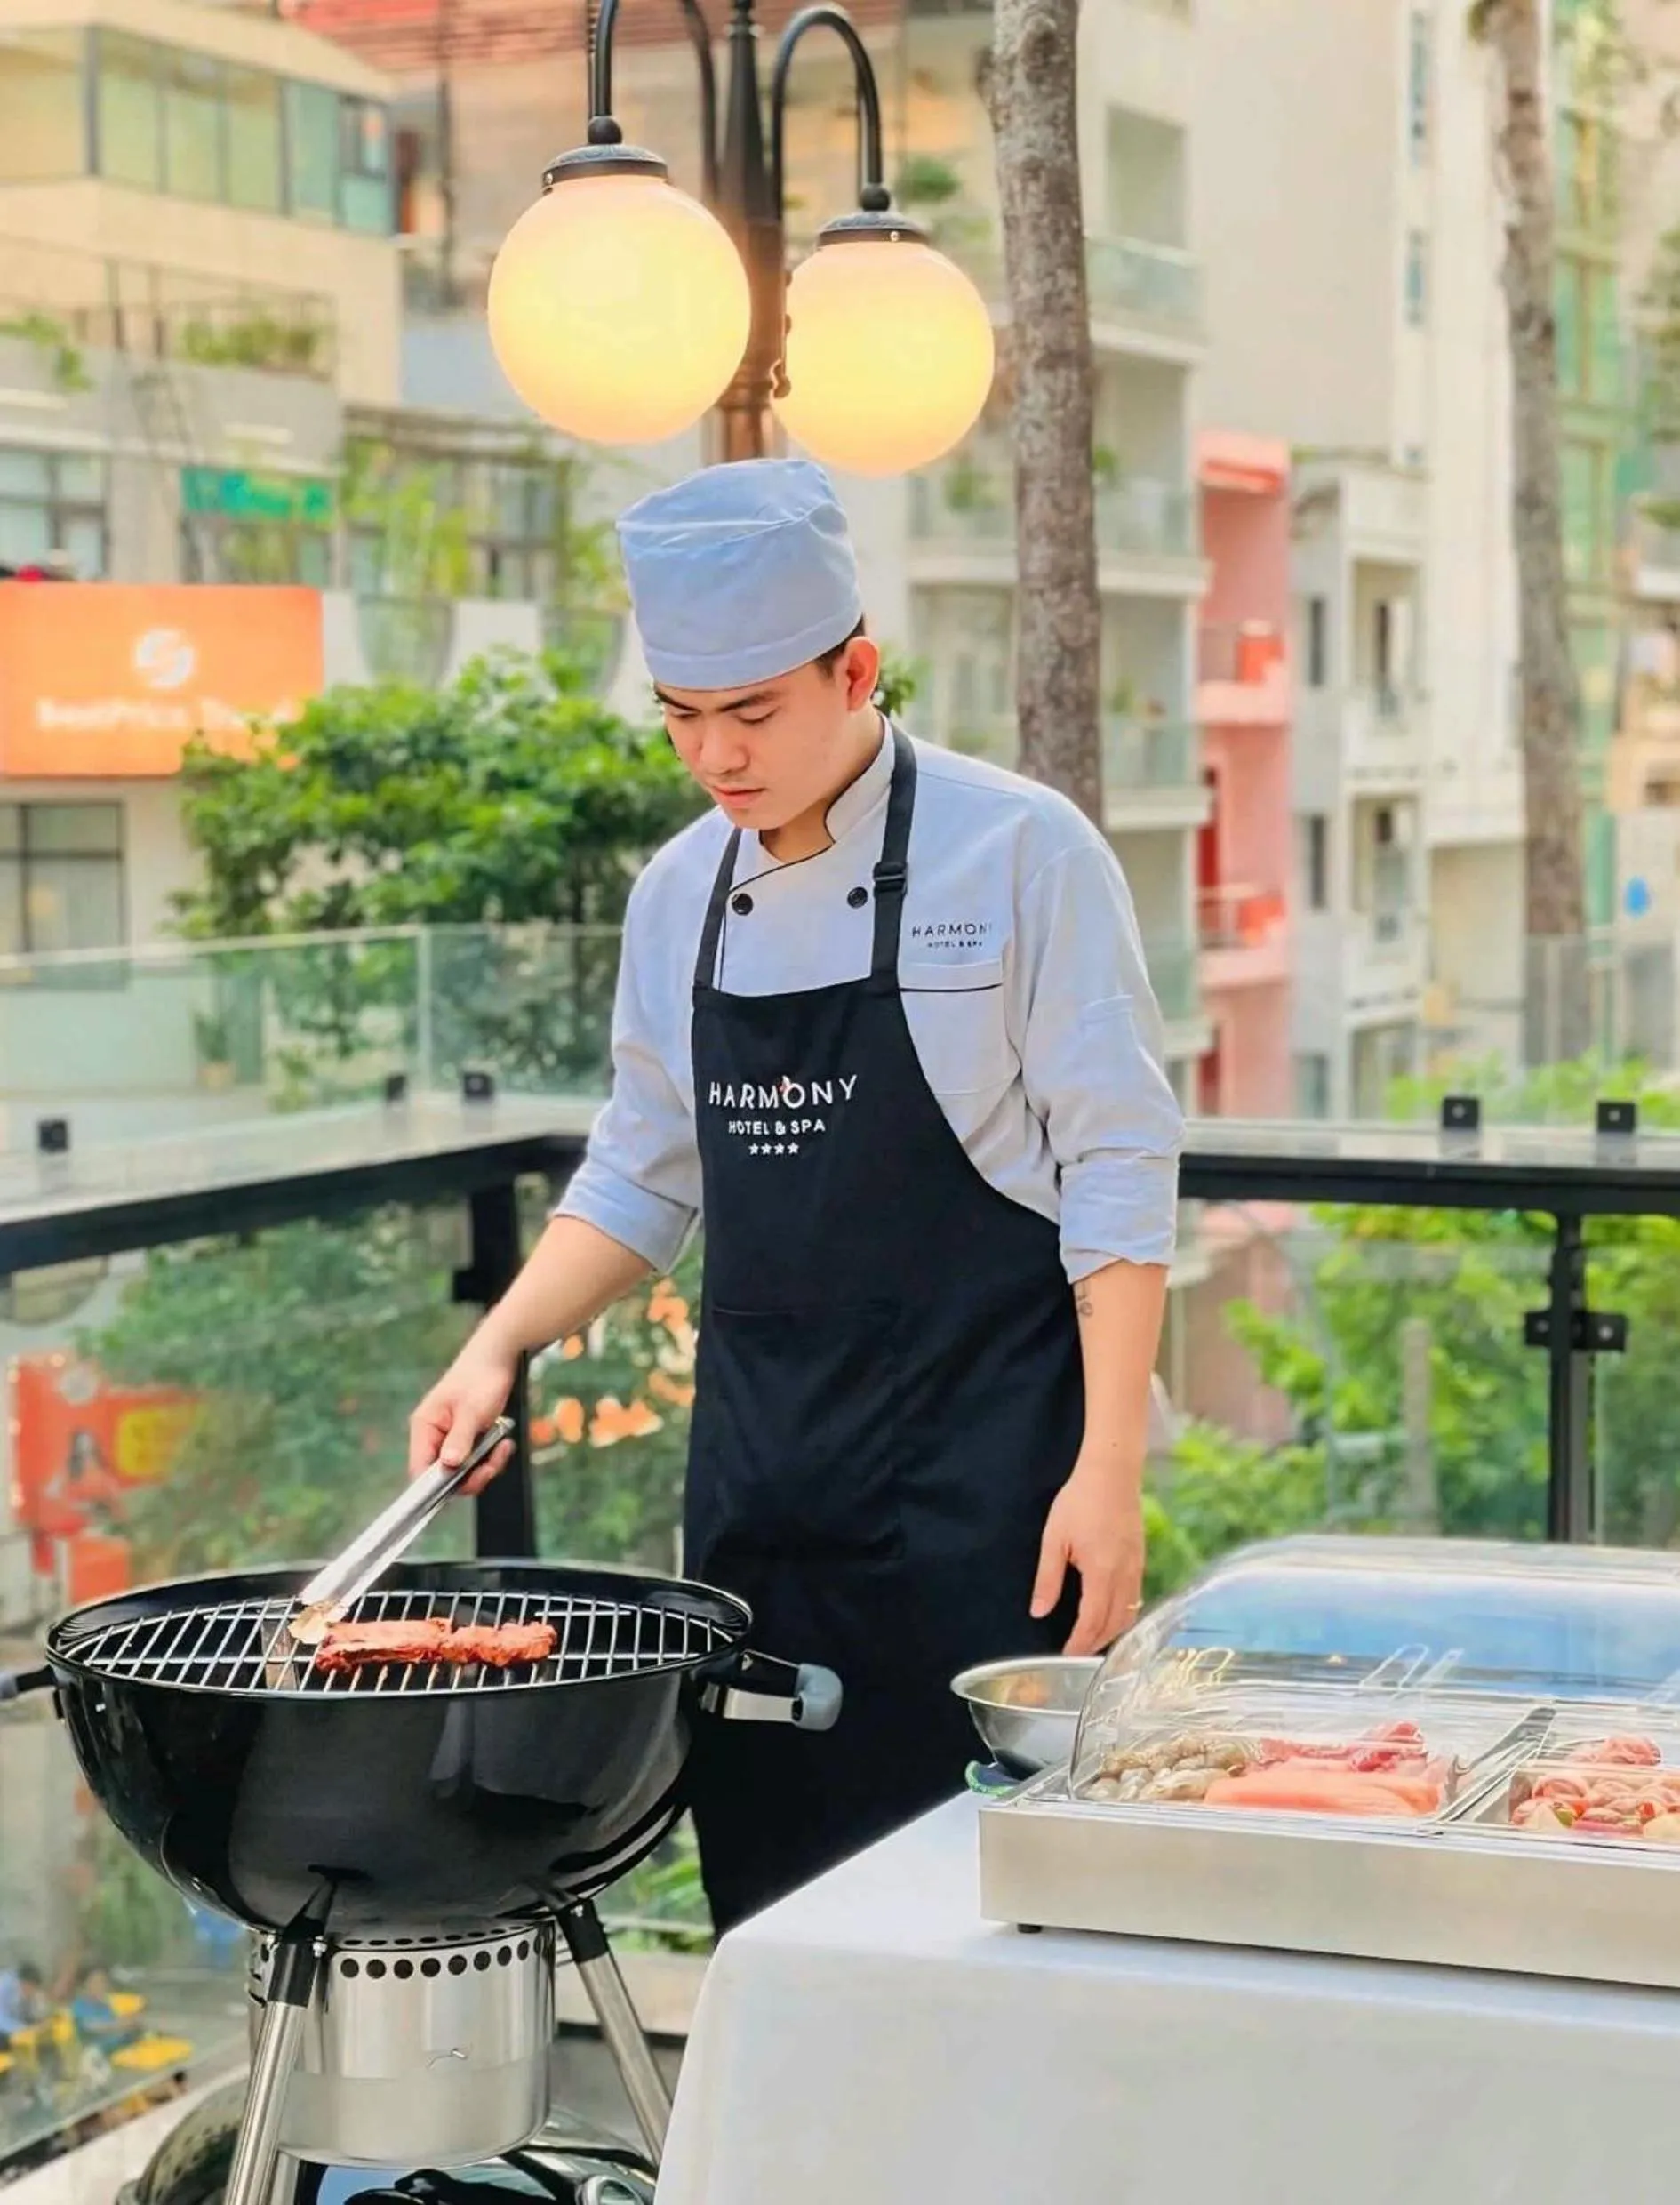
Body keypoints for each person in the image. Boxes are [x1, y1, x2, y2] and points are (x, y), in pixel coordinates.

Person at [410, 457, 1182, 1935]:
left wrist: (1110, 1471)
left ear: (859, 671)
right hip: (764, 1508)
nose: (718, 756)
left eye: (753, 713)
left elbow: (1117, 1170)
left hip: (993, 1503)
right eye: (686, 719)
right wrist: (495, 1343)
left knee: (988, 1919)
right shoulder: (674, 895)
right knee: (777, 1908)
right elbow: (644, 1168)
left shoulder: (1021, 850)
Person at [0, 1961, 44, 2044]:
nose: (31, 1992)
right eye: (31, 1987)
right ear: (24, 1983)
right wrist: (24, 2029)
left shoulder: (24, 1991)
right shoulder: (4, 1986)